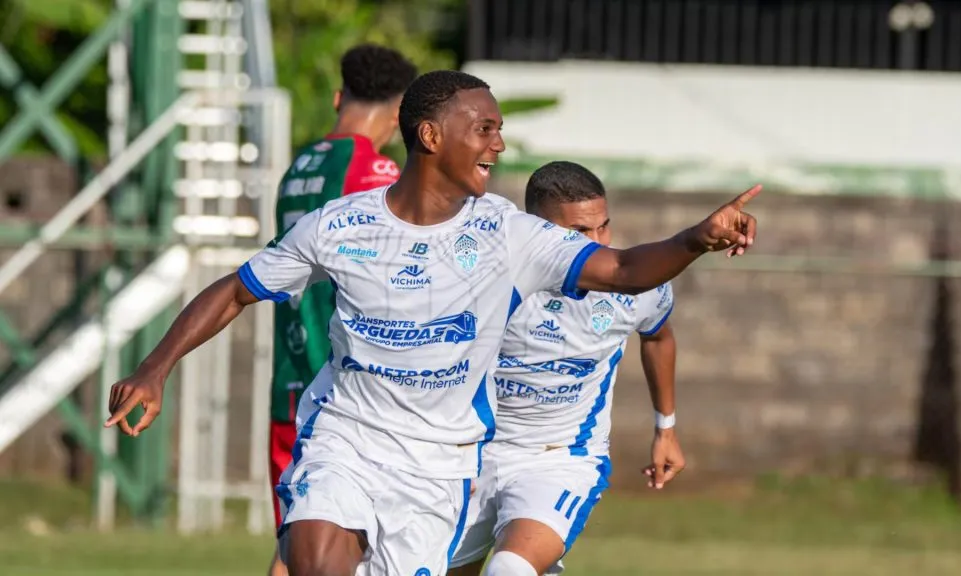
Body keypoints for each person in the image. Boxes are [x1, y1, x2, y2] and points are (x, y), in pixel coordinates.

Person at [104, 69, 760, 576]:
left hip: (439, 468)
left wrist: (696, 239)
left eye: (500, 130)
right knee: (319, 558)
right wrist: (154, 368)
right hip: (349, 433)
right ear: (431, 135)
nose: (499, 143)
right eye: (484, 128)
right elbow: (237, 290)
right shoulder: (342, 225)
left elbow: (622, 270)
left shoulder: (508, 234)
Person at [447, 161, 685, 576]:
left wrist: (666, 427)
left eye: (603, 227)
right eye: (578, 234)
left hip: (559, 458)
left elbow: (658, 337)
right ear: (534, 231)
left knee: (508, 570)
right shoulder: (488, 281)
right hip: (469, 457)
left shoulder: (632, 286)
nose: (596, 244)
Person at [266, 43, 416, 576]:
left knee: (294, 548)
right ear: (400, 116)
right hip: (343, 396)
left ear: (337, 97)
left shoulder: (298, 165)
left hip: (288, 375)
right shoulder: (375, 173)